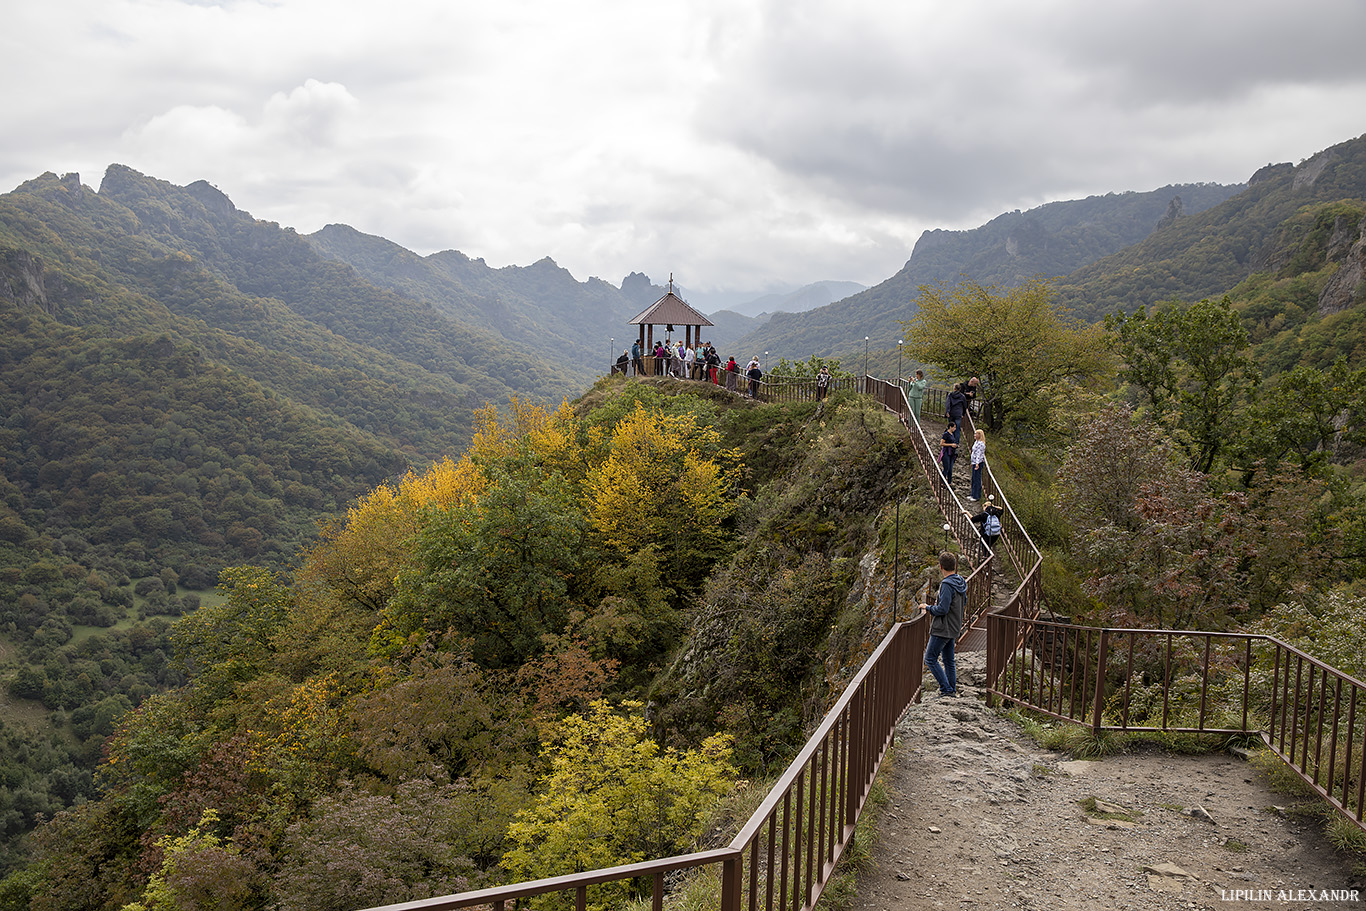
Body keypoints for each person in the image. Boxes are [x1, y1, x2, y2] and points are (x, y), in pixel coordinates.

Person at [922, 551, 966, 697]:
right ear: (954, 566)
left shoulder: (947, 584)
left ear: (940, 566)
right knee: (948, 660)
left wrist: (927, 608)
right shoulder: (960, 581)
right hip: (954, 626)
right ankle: (951, 689)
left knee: (930, 658)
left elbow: (942, 609)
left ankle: (946, 689)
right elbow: (962, 603)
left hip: (942, 628)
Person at [969, 428, 986, 501]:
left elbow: (979, 454)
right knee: (973, 478)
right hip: (974, 462)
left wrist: (977, 463)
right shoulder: (976, 442)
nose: (975, 435)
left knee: (977, 479)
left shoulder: (981, 444)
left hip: (978, 462)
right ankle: (972, 494)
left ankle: (976, 496)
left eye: (976, 434)